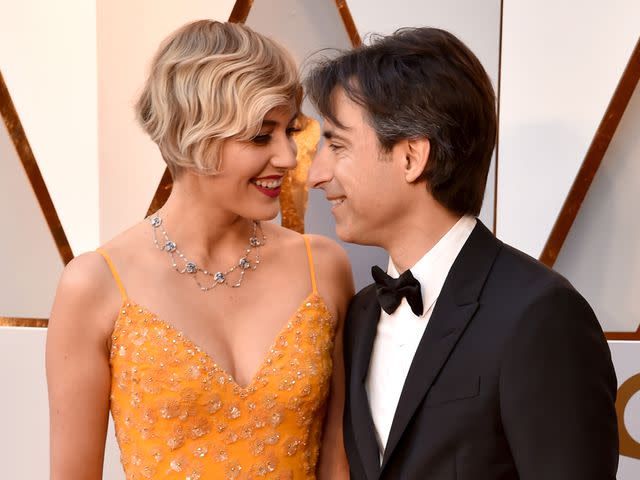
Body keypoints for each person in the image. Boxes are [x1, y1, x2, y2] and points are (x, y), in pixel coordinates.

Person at [305, 27, 618, 479]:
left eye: (336, 144)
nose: (316, 174)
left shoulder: (540, 314)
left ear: (412, 157)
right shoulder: (360, 315)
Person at [46, 20, 352, 480]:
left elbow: (337, 463)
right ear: (194, 136)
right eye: (260, 135)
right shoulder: (95, 284)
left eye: (289, 130)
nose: (289, 158)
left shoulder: (322, 268)